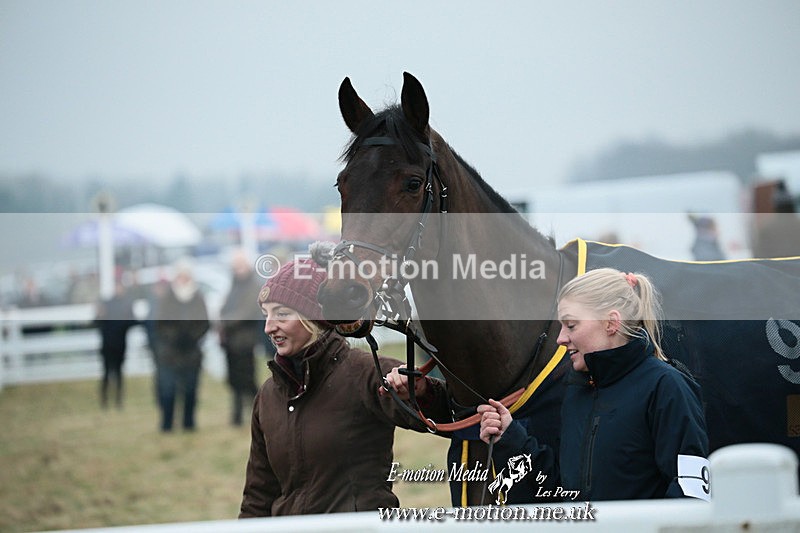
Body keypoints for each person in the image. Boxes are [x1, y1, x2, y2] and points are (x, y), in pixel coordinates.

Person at [239, 256, 449, 517]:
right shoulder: (269, 395)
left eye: (282, 313)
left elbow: (450, 414)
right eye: (266, 315)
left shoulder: (366, 373)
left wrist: (422, 392)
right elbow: (258, 495)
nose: (269, 327)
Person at [478, 268, 710, 502]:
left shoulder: (667, 387)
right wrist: (511, 437)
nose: (560, 338)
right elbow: (563, 490)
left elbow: (691, 496)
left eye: (571, 325)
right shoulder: (576, 391)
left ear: (611, 323)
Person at [154, 259, 210, 432]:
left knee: (190, 390)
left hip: (191, 352)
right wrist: (174, 336)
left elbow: (204, 323)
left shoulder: (198, 297)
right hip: (170, 352)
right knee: (168, 390)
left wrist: (192, 336)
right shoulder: (168, 297)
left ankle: (188, 422)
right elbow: (160, 324)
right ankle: (167, 423)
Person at [218, 250, 264, 426]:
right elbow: (224, 307)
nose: (237, 269)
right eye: (235, 266)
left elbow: (247, 311)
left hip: (245, 341)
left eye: (240, 265)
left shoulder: (253, 285)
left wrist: (226, 322)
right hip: (231, 341)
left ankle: (260, 411)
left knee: (248, 380)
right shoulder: (234, 284)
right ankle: (237, 416)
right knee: (235, 381)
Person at [94, 277, 137, 409]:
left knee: (118, 373)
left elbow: (132, 322)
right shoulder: (107, 304)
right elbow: (97, 322)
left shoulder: (126, 304)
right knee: (107, 372)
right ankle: (104, 399)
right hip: (107, 344)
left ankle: (118, 400)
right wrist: (99, 315)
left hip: (120, 344)